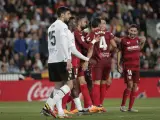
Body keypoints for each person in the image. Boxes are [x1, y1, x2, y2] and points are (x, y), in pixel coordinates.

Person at [41, 7, 90, 118]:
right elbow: (64, 44)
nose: (69, 16)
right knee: (70, 84)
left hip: (52, 59)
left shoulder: (50, 27)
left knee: (58, 86)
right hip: (61, 59)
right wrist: (68, 59)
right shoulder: (63, 26)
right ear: (62, 15)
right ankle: (48, 106)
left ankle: (60, 112)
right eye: (68, 14)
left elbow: (51, 45)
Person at [83, 18, 117, 112]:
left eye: (104, 23)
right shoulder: (108, 33)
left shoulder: (93, 33)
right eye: (103, 23)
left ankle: (96, 105)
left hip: (98, 61)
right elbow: (114, 46)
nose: (103, 25)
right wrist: (106, 52)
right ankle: (100, 105)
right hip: (107, 60)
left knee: (96, 83)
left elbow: (87, 44)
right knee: (104, 83)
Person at [71, 15, 99, 113]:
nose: (86, 24)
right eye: (84, 22)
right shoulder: (75, 33)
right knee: (71, 86)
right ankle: (59, 107)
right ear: (79, 22)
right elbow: (84, 45)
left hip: (79, 61)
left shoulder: (80, 33)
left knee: (83, 83)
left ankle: (89, 106)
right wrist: (94, 41)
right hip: (73, 60)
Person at [117, 24, 146, 112]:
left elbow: (139, 49)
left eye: (134, 31)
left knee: (135, 86)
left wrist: (143, 42)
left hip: (136, 67)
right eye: (131, 30)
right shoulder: (123, 40)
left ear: (137, 32)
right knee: (129, 85)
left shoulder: (138, 40)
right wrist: (118, 64)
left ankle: (130, 108)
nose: (133, 32)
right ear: (128, 30)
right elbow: (119, 52)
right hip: (128, 66)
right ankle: (122, 106)